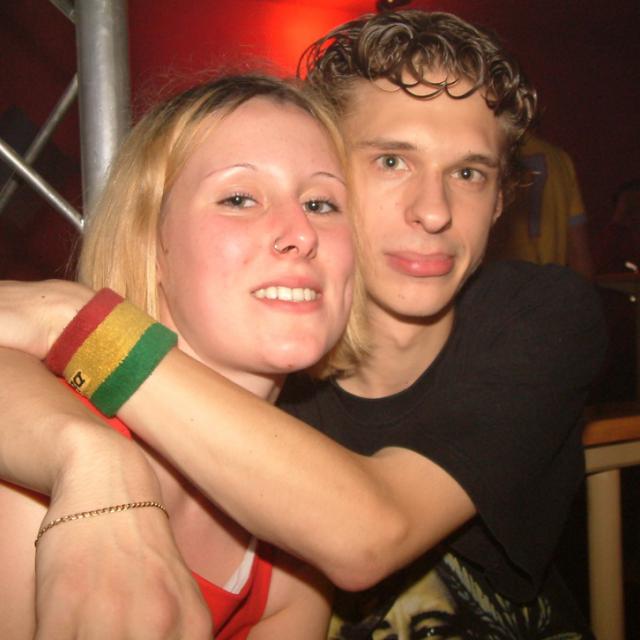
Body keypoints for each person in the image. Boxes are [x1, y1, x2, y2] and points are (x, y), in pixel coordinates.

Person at [0, 10, 607, 639]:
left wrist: (71, 319)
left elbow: (366, 534)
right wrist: (91, 458)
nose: (433, 211)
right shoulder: (66, 454)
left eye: (469, 173)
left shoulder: (535, 315)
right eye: (391, 161)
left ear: (501, 201)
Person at [0, 73, 360, 639]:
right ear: (154, 246)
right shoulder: (40, 472)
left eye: (321, 203)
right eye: (239, 198)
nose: (301, 233)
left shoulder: (297, 548)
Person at [486, 133, 595, 278]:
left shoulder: (488, 151)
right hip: (553, 285)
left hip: (496, 283)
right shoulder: (560, 160)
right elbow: (579, 253)